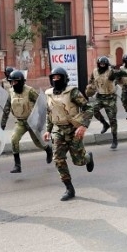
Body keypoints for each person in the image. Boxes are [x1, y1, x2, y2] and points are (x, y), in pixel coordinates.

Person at [44, 67, 94, 201]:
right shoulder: (48, 94)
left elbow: (88, 107)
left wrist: (84, 125)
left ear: (64, 78)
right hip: (58, 130)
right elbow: (49, 113)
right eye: (53, 77)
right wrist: (48, 130)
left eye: (58, 77)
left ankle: (88, 158)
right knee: (58, 159)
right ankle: (69, 188)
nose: (56, 80)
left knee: (79, 161)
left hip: (73, 129)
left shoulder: (73, 92)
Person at [0, 70, 53, 173]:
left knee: (38, 143)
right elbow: (6, 109)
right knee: (14, 139)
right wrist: (2, 125)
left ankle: (48, 149)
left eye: (15, 82)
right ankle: (17, 165)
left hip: (32, 121)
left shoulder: (30, 91)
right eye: (12, 82)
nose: (13, 84)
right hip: (20, 122)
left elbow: (41, 103)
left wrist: (50, 114)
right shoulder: (10, 92)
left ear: (21, 82)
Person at [87, 56, 127, 149]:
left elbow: (122, 72)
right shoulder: (95, 71)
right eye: (101, 64)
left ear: (107, 65)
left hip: (110, 98)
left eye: (104, 64)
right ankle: (104, 123)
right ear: (98, 64)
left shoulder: (111, 72)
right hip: (100, 96)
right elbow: (91, 80)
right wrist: (90, 87)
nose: (102, 65)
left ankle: (115, 139)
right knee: (92, 109)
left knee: (112, 119)